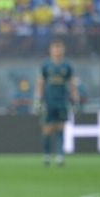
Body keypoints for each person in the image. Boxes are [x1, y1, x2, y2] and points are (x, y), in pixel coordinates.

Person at [33, 39, 78, 167]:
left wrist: (75, 100)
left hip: (62, 101)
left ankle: (59, 155)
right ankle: (47, 155)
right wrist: (37, 99)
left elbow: (72, 84)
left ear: (63, 50)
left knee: (61, 128)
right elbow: (40, 83)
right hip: (49, 101)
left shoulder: (67, 66)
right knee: (47, 129)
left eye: (59, 48)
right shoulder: (46, 65)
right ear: (51, 50)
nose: (57, 51)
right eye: (55, 48)